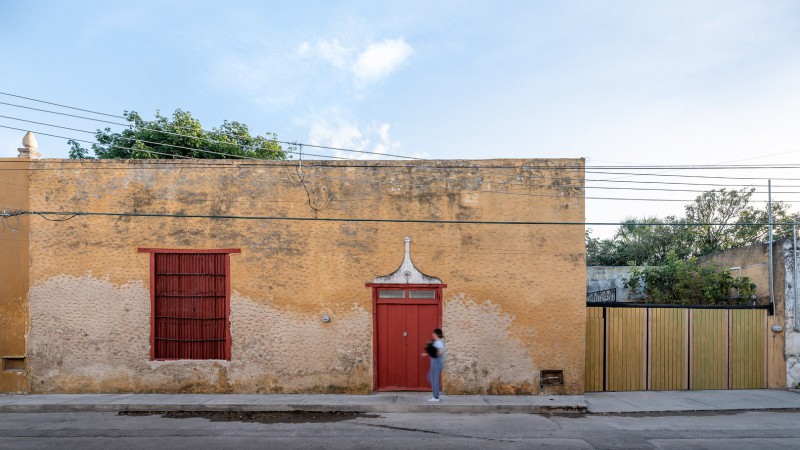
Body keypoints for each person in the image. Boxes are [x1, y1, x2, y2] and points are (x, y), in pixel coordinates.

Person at [420, 328, 445, 402]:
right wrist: (427, 353)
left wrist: (430, 351)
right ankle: (436, 394)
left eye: (433, 334)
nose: (432, 335)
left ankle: (436, 397)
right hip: (436, 363)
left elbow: (439, 352)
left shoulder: (438, 343)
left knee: (434, 379)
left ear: (437, 334)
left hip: (436, 363)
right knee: (431, 377)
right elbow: (435, 352)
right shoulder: (439, 342)